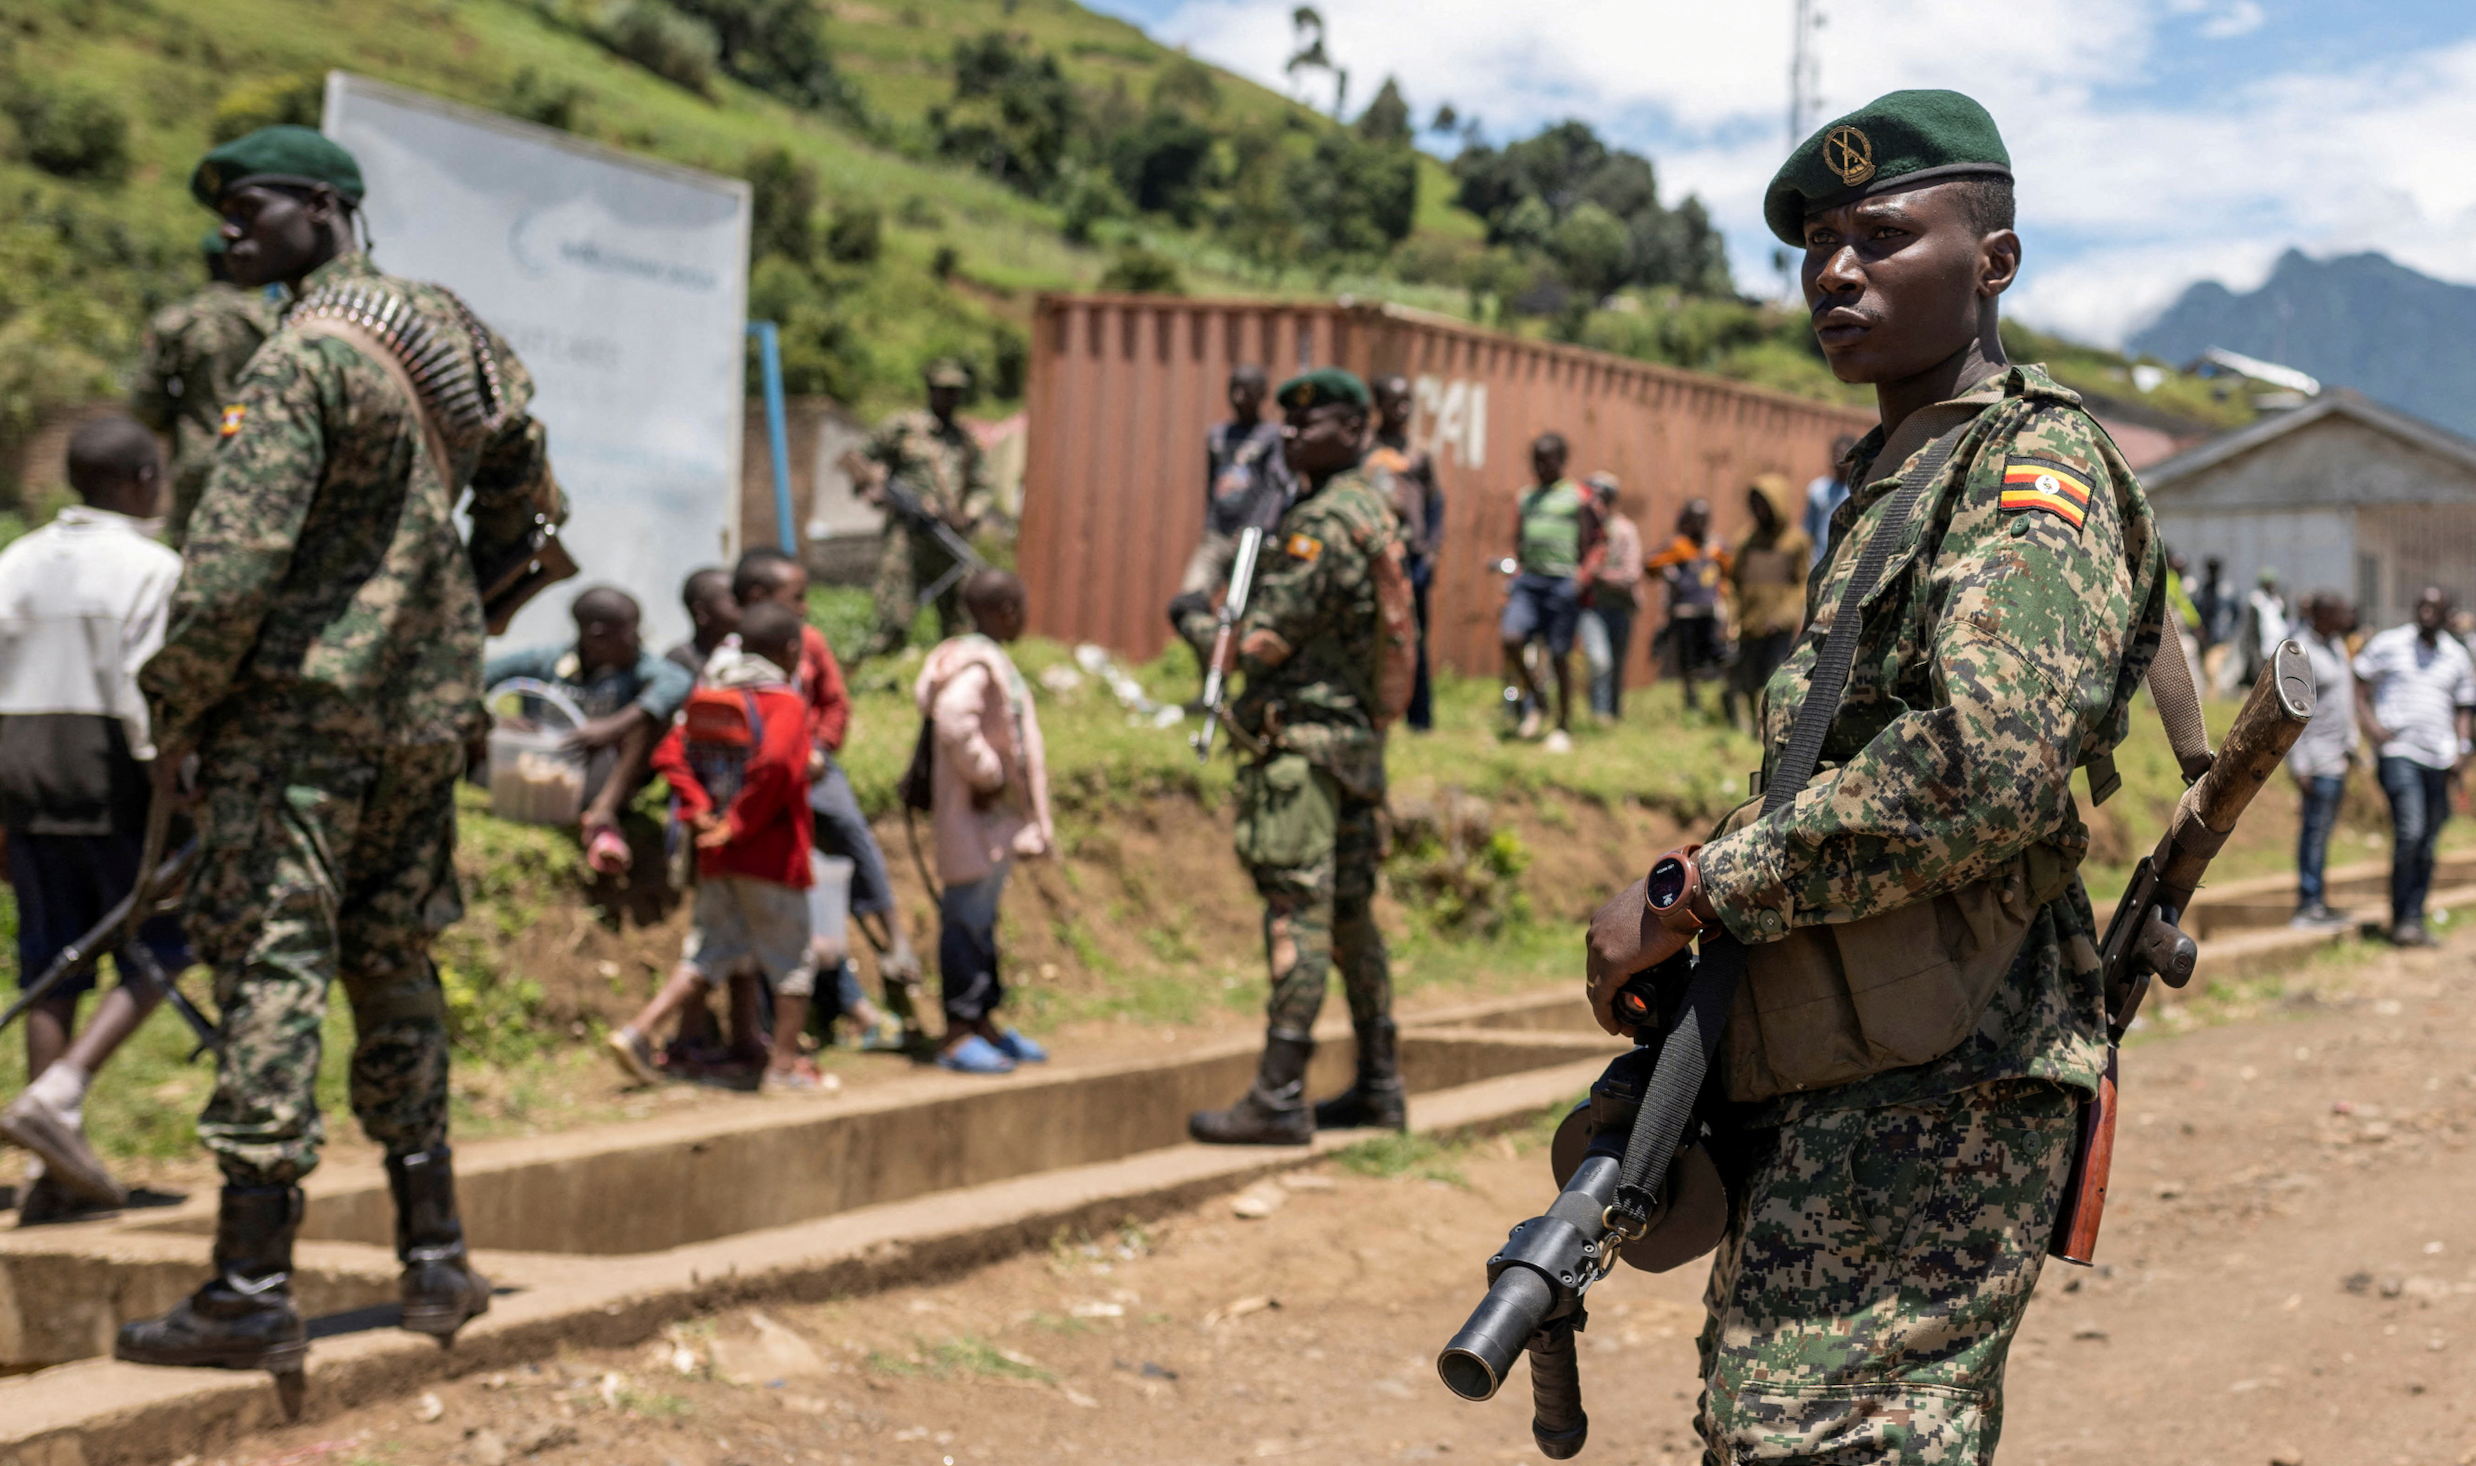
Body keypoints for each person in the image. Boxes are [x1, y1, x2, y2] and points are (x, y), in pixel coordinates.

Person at [1586, 91, 2168, 1459]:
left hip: (1948, 1083)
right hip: (1850, 1062)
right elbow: (1834, 776)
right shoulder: (1896, 478)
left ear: (1994, 263)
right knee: (1767, 1428)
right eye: (1820, 245)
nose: (1836, 272)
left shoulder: (2035, 464)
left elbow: (1985, 762)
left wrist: (1692, 888)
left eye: (1886, 237)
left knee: (1826, 1440)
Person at [119, 125, 553, 1372]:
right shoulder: (462, 337)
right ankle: (436, 1256)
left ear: (325, 206)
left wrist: (178, 702)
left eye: (248, 211)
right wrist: (449, 602)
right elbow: (530, 498)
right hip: (424, 716)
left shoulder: (304, 354)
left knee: (277, 966)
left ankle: (251, 1283)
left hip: (302, 719)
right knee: (395, 960)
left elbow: (231, 565)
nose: (227, 235)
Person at [1191, 368, 1405, 1144]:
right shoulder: (1369, 512)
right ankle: (1381, 1084)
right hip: (1353, 747)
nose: (1289, 434)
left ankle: (1279, 1095)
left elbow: (1260, 643)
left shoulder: (1323, 522)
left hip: (1305, 751)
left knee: (1298, 913)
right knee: (1350, 918)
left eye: (1308, 422)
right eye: (1286, 424)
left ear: (1352, 430)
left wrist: (1193, 620)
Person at [0, 418, 187, 1223]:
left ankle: (53, 1175)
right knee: (175, 938)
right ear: (144, 478)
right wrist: (174, 792)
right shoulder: (153, 568)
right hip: (114, 776)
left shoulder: (18, 561)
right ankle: (60, 1093)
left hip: (24, 776)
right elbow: (152, 691)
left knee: (52, 957)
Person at [610, 602, 823, 1092]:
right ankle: (783, 1068)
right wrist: (739, 823)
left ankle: (639, 1031)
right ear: (791, 651)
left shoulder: (711, 694)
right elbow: (777, 767)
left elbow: (669, 753)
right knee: (791, 962)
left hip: (715, 852)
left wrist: (702, 811)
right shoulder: (784, 702)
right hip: (769, 854)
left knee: (708, 953)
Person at [732, 547, 925, 1049]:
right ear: (759, 598)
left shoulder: (810, 643)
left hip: (814, 768)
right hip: (767, 778)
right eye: (797, 597)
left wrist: (819, 748)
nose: (807, 607)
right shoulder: (731, 656)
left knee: (851, 832)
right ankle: (805, 1019)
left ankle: (891, 934)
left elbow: (835, 704)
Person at [915, 571, 1053, 1075]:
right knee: (966, 920)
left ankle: (983, 1023)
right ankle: (958, 1031)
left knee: (981, 919)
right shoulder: (976, 666)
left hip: (990, 822)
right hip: (973, 816)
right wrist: (987, 772)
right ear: (1008, 611)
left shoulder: (979, 658)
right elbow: (954, 718)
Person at [484, 586, 693, 875]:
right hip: (533, 770)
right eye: (630, 631)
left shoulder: (637, 666)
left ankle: (603, 812)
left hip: (599, 772)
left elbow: (678, 682)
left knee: (651, 719)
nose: (639, 639)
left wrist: (615, 724)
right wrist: (498, 722)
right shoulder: (546, 661)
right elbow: (472, 677)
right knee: (468, 723)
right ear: (597, 636)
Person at [129, 232, 280, 545]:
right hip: (261, 455)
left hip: (195, 458)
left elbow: (146, 405)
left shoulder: (174, 322)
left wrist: (176, 421)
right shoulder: (273, 321)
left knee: (191, 553)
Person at [2354, 587, 2476, 947]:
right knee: (2411, 830)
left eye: (2434, 608)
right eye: (2421, 606)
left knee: (2427, 841)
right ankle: (2401, 917)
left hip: (2440, 759)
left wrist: (2463, 748)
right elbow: (2358, 683)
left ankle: (2413, 918)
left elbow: (2464, 709)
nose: (2427, 613)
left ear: (2447, 614)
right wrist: (2372, 728)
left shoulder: (2457, 656)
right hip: (2399, 753)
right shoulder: (2389, 644)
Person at [854, 361, 993, 658]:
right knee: (894, 613)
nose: (951, 397)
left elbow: (983, 485)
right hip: (906, 535)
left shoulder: (966, 440)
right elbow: (859, 459)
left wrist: (967, 514)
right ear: (930, 390)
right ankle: (883, 671)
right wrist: (874, 490)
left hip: (946, 535)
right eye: (944, 390)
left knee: (959, 618)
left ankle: (954, 668)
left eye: (956, 391)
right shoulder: (903, 428)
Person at [1168, 364, 1292, 683]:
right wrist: (1210, 527)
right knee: (1188, 603)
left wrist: (1257, 530)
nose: (1239, 397)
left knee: (1247, 615)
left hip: (1252, 542)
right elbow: (1212, 485)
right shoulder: (1218, 435)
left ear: (1262, 394)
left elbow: (1275, 489)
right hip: (1217, 536)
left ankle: (1244, 686)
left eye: (1247, 390)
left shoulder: (1272, 437)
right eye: (1234, 388)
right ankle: (1209, 678)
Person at [1499, 433, 1601, 751]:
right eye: (1536, 461)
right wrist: (1516, 572)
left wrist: (1582, 577)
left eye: (1548, 460)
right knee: (1511, 638)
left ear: (1562, 460)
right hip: (1530, 582)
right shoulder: (1526, 497)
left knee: (1559, 655)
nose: (1541, 467)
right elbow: (1518, 540)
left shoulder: (1579, 496)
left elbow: (1597, 541)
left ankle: (1563, 723)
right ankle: (1539, 700)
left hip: (1562, 583)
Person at [1364, 374, 1444, 731]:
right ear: (1378, 405)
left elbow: (1435, 505)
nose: (1403, 409)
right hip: (1376, 553)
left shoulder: (1419, 451)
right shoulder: (1367, 449)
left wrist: (1430, 552)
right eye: (1394, 401)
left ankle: (1420, 718)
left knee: (1415, 636)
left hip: (1411, 556)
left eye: (1407, 401)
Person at [2288, 591, 2359, 929]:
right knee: (2314, 833)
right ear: (2321, 615)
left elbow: (2345, 700)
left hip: (2336, 758)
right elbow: (2290, 712)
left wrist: (2353, 745)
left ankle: (2318, 901)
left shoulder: (2337, 647)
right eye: (2340, 612)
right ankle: (2308, 904)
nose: (2347, 618)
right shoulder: (2301, 652)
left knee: (2323, 832)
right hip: (2315, 761)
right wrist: (2298, 764)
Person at [1723, 473, 1812, 732]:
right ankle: (1749, 725)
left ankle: (1772, 726)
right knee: (1747, 679)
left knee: (1774, 678)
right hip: (1749, 623)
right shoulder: (1745, 541)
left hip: (1778, 627)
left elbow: (1802, 584)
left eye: (1766, 504)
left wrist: (1785, 616)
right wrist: (1732, 616)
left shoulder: (1796, 542)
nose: (1760, 510)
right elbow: (1733, 582)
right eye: (1756, 504)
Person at [1646, 498, 1731, 714]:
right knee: (1688, 660)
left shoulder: (1716, 547)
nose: (1699, 525)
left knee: (1720, 656)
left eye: (1703, 520)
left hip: (1710, 611)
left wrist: (1723, 590)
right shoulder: (1679, 546)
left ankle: (1727, 700)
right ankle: (1693, 704)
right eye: (1694, 520)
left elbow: (1731, 570)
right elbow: (1650, 564)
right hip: (1685, 612)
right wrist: (1668, 574)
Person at [1575, 472, 1643, 721]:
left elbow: (1630, 574)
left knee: (1616, 666)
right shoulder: (1581, 529)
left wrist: (1597, 574)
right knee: (1600, 661)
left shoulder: (1624, 530)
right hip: (1592, 607)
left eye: (1601, 497)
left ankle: (1613, 717)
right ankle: (1600, 715)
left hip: (1620, 607)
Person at [664, 567, 739, 681]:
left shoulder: (742, 649)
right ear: (702, 612)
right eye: (735, 601)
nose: (743, 607)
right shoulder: (682, 659)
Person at [1801, 433, 1858, 550]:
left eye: (1843, 454)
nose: (1838, 458)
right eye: (1836, 453)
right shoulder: (1817, 489)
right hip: (1818, 560)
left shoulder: (1858, 492)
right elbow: (1807, 531)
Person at [2239, 567, 2289, 689]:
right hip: (2262, 646)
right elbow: (2251, 628)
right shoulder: (2257, 601)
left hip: (2277, 644)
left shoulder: (2279, 600)